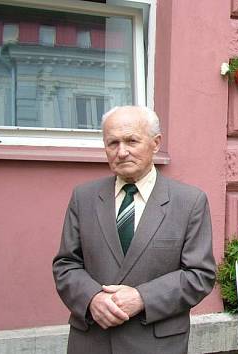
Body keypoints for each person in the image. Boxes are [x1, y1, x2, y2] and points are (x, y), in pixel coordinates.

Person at [52, 105, 216, 354]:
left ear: (156, 143)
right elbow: (66, 264)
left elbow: (199, 275)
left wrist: (142, 298)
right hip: (92, 341)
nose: (122, 152)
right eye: (113, 143)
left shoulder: (189, 202)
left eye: (131, 141)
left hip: (156, 344)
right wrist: (92, 298)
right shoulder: (83, 197)